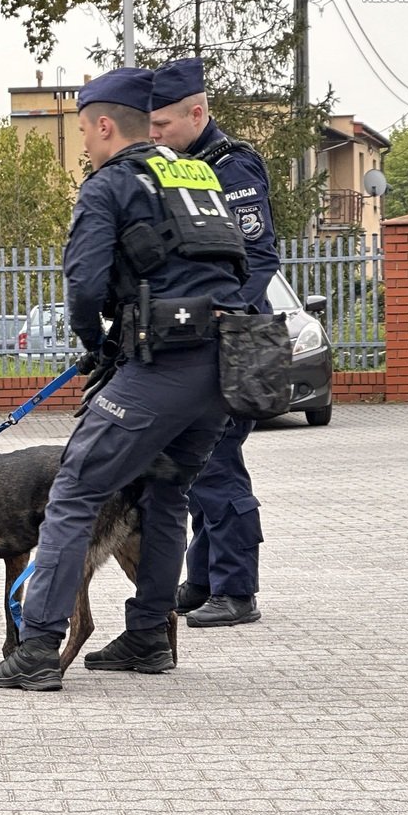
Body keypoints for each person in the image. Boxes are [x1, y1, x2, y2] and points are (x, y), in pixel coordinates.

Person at [0, 67, 247, 691]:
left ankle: (39, 644)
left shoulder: (108, 187)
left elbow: (84, 288)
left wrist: (98, 346)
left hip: (162, 364)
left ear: (104, 126)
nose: (83, 143)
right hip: (225, 366)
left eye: (82, 131)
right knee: (166, 494)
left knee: (75, 489)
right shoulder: (196, 174)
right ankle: (150, 636)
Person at [149, 58, 280, 628]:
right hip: (197, 337)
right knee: (198, 464)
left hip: (233, 340)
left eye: (164, 126)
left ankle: (237, 589)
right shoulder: (180, 167)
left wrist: (219, 313)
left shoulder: (232, 168)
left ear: (197, 113)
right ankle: (203, 580)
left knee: (219, 463)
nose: (154, 136)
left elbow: (260, 257)